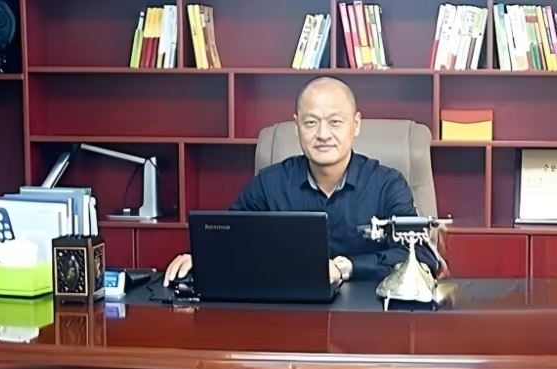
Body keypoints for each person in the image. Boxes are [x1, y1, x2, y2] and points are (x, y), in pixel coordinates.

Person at [163, 76, 439, 286]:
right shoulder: (269, 184)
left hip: (367, 319)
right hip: (285, 318)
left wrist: (348, 267)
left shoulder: (387, 184)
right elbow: (229, 239)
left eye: (335, 122)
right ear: (296, 127)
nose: (323, 134)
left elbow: (422, 256)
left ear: (355, 125)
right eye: (311, 123)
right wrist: (200, 258)